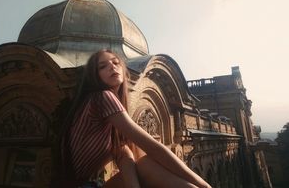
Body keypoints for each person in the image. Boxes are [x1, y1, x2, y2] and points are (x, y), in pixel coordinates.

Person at [55, 49, 211, 188]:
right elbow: (152, 147)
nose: (112, 66)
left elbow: (124, 153)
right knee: (147, 166)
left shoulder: (110, 119)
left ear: (123, 70)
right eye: (102, 66)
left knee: (145, 165)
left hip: (91, 184)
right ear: (94, 76)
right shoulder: (102, 97)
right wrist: (201, 183)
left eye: (116, 62)